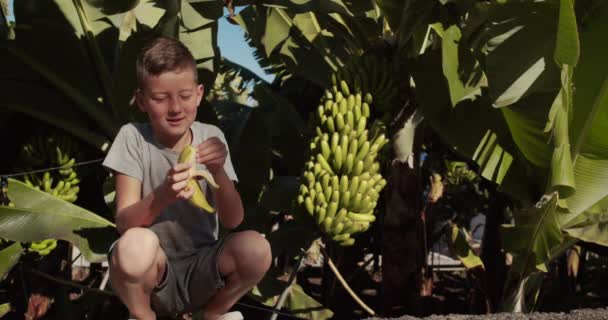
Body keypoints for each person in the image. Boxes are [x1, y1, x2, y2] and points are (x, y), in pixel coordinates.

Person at [102, 36, 272, 320]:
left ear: (199, 93)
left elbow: (233, 220)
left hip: (202, 267)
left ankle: (211, 315)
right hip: (151, 270)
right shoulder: (132, 137)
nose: (176, 108)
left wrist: (218, 171)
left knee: (257, 249)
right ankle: (143, 316)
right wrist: (163, 195)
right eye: (160, 98)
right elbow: (124, 223)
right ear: (142, 101)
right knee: (135, 246)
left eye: (184, 96)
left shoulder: (211, 137)